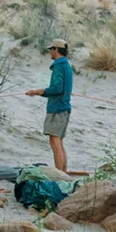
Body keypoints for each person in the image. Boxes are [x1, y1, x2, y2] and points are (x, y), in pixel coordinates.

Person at [26, 38, 73, 172]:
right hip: (64, 107)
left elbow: (57, 89)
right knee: (59, 142)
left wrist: (38, 92)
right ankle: (63, 173)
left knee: (55, 142)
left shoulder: (58, 66)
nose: (50, 52)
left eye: (51, 49)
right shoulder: (66, 65)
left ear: (56, 50)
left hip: (57, 109)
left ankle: (59, 176)